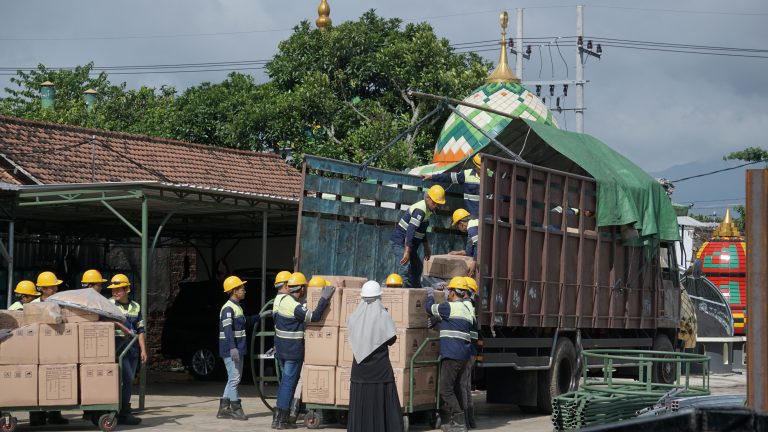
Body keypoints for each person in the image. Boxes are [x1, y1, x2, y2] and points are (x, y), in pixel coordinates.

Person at [272, 272, 335, 429]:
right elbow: (314, 316)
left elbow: (296, 314)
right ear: (300, 289)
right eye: (304, 289)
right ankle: (282, 420)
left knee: (284, 384)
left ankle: (277, 418)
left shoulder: (282, 300)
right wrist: (324, 299)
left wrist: (305, 304)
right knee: (288, 384)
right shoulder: (294, 306)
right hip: (292, 351)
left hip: (281, 349)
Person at [346, 281, 403, 432]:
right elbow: (392, 340)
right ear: (379, 298)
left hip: (359, 372)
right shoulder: (383, 316)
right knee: (381, 404)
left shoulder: (353, 318)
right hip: (380, 372)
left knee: (361, 405)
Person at [218, 275, 271, 421]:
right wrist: (232, 348)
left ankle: (223, 409)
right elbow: (227, 329)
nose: (244, 290)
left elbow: (245, 322)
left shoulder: (236, 307)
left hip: (237, 348)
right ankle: (236, 409)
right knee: (235, 379)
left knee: (233, 379)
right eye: (242, 288)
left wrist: (260, 316)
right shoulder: (228, 309)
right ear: (234, 290)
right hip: (231, 349)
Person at [425, 277, 475, 432]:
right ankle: (460, 422)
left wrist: (430, 294)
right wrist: (439, 323)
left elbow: (430, 308)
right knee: (455, 388)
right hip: (462, 355)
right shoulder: (467, 309)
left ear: (453, 292)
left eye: (449, 291)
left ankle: (459, 422)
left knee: (445, 389)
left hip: (452, 354)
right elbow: (454, 326)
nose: (447, 294)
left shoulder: (449, 308)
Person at [29, 271, 68, 426]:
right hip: (37, 348)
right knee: (37, 381)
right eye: (52, 287)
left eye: (55, 286)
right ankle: (37, 416)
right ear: (43, 289)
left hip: (57, 345)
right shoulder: (33, 306)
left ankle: (55, 414)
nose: (55, 289)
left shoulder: (61, 303)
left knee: (56, 379)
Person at [107, 274, 146, 425]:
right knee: (127, 379)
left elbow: (141, 329)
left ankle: (124, 411)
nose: (115, 292)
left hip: (133, 350)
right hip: (118, 349)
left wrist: (143, 350)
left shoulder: (135, 306)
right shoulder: (109, 305)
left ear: (126, 289)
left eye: (118, 290)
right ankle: (121, 411)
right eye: (113, 290)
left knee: (128, 382)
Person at [389, 185, 446, 288]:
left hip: (409, 245)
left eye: (438, 204)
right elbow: (411, 230)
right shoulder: (420, 210)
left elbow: (421, 230)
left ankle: (416, 291)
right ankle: (406, 294)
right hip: (401, 242)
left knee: (417, 267)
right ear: (428, 198)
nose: (436, 205)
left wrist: (426, 246)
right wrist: (407, 251)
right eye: (434, 203)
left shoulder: (428, 210)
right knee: (405, 269)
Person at [459, 277, 480, 429]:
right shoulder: (471, 306)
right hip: (471, 352)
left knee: (463, 385)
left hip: (468, 352)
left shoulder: (465, 306)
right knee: (466, 385)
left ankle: (466, 419)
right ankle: (470, 420)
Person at [447, 209, 479, 277]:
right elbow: (469, 251)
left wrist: (474, 263)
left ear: (461, 224)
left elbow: (478, 246)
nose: (458, 229)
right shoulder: (471, 227)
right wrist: (458, 253)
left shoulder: (472, 228)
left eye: (457, 226)